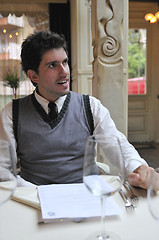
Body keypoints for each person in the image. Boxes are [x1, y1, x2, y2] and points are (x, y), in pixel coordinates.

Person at [0, 30, 154, 188]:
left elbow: (117, 146)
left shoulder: (91, 106)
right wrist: (35, 191)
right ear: (34, 76)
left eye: (65, 62)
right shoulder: (11, 113)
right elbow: (2, 169)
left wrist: (138, 168)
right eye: (53, 65)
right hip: (34, 201)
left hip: (87, 196)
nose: (64, 71)